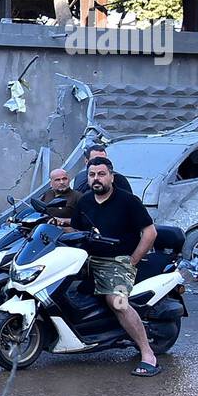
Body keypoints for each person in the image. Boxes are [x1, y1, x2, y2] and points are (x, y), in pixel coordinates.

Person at [56, 157, 161, 376]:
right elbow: (76, 231)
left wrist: (132, 260)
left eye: (101, 174)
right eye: (92, 174)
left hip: (118, 263)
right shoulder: (84, 202)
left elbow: (150, 232)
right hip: (87, 260)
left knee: (118, 301)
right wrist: (53, 227)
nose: (96, 178)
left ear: (111, 177)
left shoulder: (128, 201)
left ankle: (148, 353)